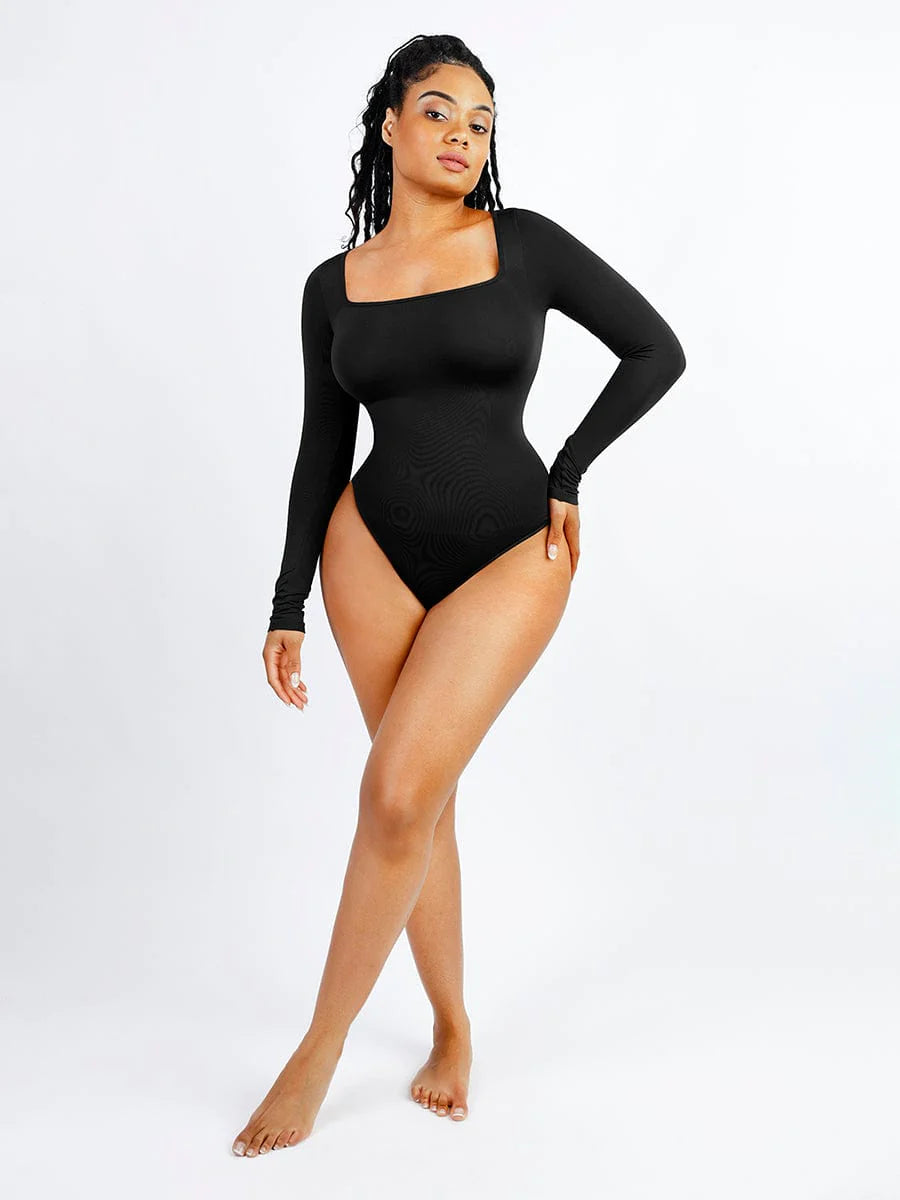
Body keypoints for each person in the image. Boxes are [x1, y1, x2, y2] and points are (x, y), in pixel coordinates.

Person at [233, 33, 686, 1157]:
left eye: (480, 122)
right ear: (389, 123)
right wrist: (288, 599)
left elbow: (654, 350)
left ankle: (319, 1048)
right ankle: (451, 1027)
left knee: (394, 794)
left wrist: (569, 472)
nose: (460, 136)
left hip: (513, 550)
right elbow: (321, 445)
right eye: (437, 111)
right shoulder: (332, 286)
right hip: (368, 552)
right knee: (417, 800)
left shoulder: (523, 245)